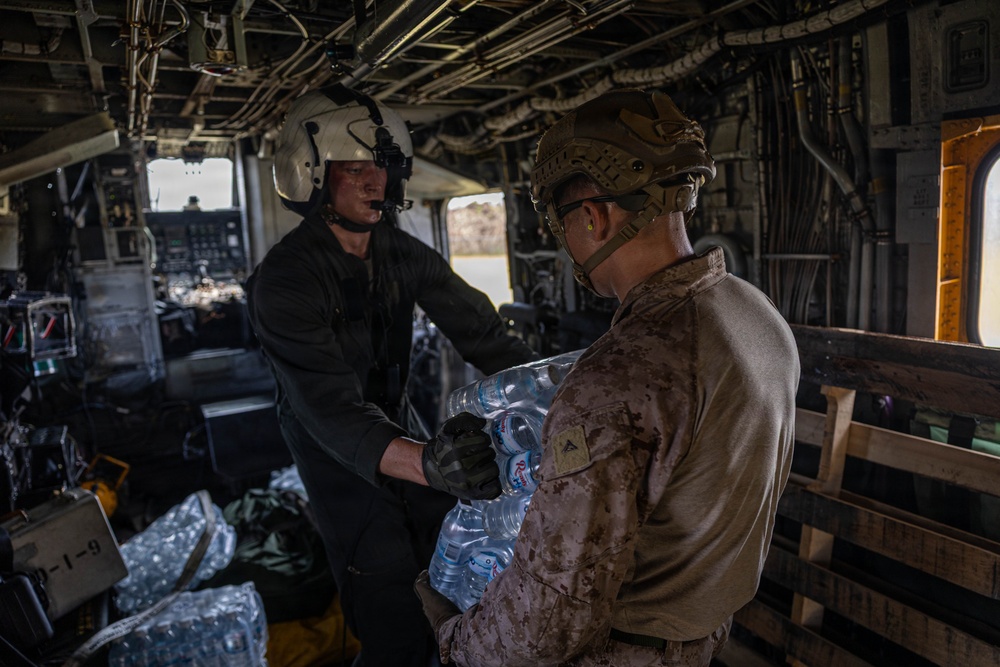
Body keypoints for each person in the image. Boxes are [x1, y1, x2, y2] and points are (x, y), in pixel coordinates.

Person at [414, 88, 799, 666]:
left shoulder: (619, 376)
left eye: (560, 225)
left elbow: (549, 615)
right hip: (702, 637)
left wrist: (456, 639)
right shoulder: (756, 313)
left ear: (592, 217)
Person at [246, 84, 536, 666]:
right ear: (311, 175)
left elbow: (482, 332)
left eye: (381, 167)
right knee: (386, 599)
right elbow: (329, 409)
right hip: (332, 450)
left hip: (401, 424)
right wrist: (428, 463)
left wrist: (551, 389)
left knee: (444, 562)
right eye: (353, 169)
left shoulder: (400, 252)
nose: (374, 182)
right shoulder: (283, 281)